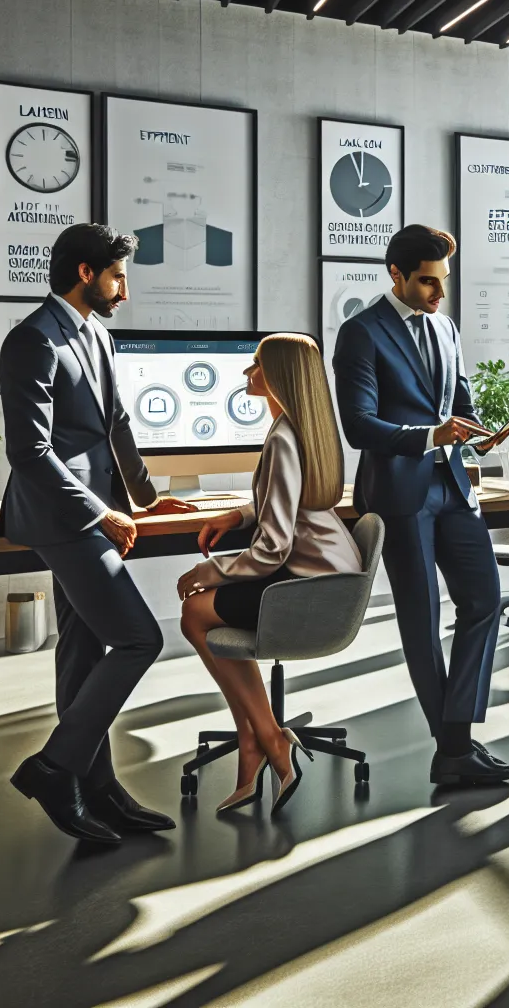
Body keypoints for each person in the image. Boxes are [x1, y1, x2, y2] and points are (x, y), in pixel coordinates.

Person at [0, 223, 198, 845]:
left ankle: (100, 788)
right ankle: (55, 769)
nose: (125, 291)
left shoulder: (97, 334)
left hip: (103, 509)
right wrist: (98, 512)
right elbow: (29, 452)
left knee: (83, 650)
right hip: (63, 517)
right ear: (86, 273)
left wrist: (144, 497)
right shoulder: (31, 340)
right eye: (118, 276)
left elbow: (115, 422)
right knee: (139, 638)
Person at [331, 224, 509, 787]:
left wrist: (474, 433)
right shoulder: (360, 333)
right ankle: (456, 749)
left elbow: (458, 399)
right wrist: (430, 435)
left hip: (453, 485)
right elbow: (359, 425)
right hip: (399, 493)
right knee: (421, 617)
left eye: (443, 282)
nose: (439, 294)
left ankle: (455, 743)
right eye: (426, 282)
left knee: (485, 599)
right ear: (395, 275)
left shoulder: (444, 326)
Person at [175, 334, 362, 815]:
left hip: (306, 586)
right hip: (333, 577)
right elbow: (284, 502)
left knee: (195, 612)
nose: (247, 374)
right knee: (203, 614)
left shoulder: (281, 438)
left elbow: (273, 549)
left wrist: (212, 570)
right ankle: (257, 739)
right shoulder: (306, 429)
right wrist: (237, 516)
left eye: (255, 365)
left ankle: (269, 742)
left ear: (278, 374)